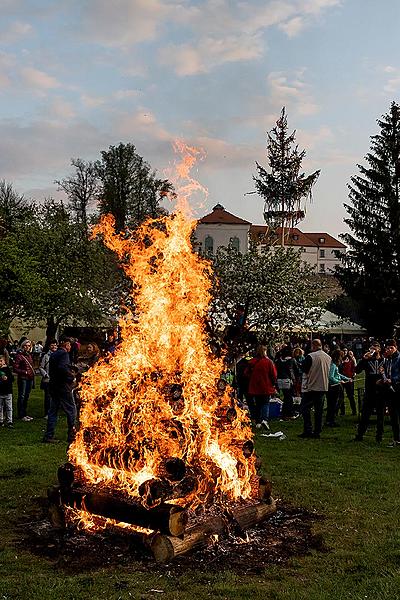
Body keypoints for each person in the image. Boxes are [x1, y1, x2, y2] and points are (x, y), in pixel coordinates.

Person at [42, 336, 76, 444]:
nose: (70, 347)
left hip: (53, 386)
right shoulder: (64, 354)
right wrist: (71, 377)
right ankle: (72, 435)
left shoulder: (54, 354)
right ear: (66, 344)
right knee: (71, 410)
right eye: (70, 345)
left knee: (53, 411)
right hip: (62, 386)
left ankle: (49, 435)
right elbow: (62, 368)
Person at [299, 339, 331, 439]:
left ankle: (308, 429)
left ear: (314, 345)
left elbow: (304, 369)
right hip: (323, 386)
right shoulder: (328, 357)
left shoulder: (311, 356)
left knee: (305, 409)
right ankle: (317, 431)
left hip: (311, 386)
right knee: (319, 410)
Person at [354, 342, 385, 443]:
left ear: (379, 349)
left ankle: (379, 437)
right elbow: (357, 370)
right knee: (365, 415)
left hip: (381, 392)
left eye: (375, 348)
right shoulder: (367, 361)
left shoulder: (384, 360)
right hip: (369, 391)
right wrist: (363, 359)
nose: (372, 350)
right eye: (371, 348)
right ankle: (360, 435)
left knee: (380, 415)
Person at [246, 345, 277, 430]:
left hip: (255, 386)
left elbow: (246, 373)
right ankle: (265, 419)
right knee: (265, 403)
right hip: (266, 386)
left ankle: (258, 422)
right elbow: (273, 375)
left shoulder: (252, 361)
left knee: (258, 404)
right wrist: (274, 383)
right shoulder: (269, 362)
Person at [326, 349, 351, 427]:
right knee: (333, 404)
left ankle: (330, 420)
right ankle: (330, 421)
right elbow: (331, 377)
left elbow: (338, 374)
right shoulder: (333, 365)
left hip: (335, 386)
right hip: (333, 387)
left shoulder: (334, 364)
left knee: (333, 404)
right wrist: (339, 382)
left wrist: (347, 378)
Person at [382, 339, 400, 447]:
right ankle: (396, 439)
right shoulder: (388, 359)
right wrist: (383, 377)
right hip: (390, 390)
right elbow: (386, 371)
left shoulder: (398, 358)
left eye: (391, 348)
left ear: (396, 347)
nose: (389, 350)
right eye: (388, 348)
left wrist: (393, 379)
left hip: (398, 388)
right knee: (393, 415)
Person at [275, 346, 300, 420]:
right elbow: (297, 370)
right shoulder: (292, 360)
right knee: (289, 398)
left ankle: (285, 413)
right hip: (287, 380)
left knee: (286, 397)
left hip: (279, 380)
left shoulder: (278, 360)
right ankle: (288, 413)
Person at [13, 339, 35, 421]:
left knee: (26, 396)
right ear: (22, 346)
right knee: (21, 396)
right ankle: (21, 415)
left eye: (29, 345)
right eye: (25, 345)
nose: (27, 347)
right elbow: (15, 368)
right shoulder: (19, 356)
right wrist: (25, 372)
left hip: (29, 378)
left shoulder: (29, 355)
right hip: (23, 378)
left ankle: (25, 413)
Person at [38, 340, 58, 417]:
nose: (54, 347)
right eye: (52, 345)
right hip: (48, 380)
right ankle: (47, 413)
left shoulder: (59, 355)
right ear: (49, 346)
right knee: (48, 397)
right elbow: (41, 367)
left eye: (55, 345)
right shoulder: (46, 356)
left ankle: (54, 412)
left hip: (56, 380)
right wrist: (45, 374)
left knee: (55, 397)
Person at [339, 349, 357, 416]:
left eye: (346, 351)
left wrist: (352, 375)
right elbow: (339, 370)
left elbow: (354, 369)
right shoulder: (340, 361)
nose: (345, 352)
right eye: (343, 351)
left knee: (351, 396)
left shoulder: (351, 360)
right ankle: (342, 411)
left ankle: (354, 411)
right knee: (341, 397)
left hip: (349, 380)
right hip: (341, 380)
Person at [0, 355, 14, 427]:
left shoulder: (7, 369)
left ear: (4, 361)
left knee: (9, 407)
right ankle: (1, 420)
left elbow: (12, 379)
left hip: (8, 391)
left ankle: (10, 421)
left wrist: (7, 378)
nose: (0, 363)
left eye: (1, 361)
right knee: (0, 407)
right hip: (0, 392)